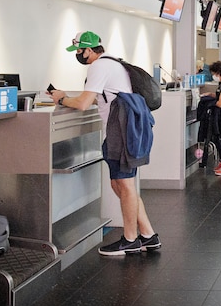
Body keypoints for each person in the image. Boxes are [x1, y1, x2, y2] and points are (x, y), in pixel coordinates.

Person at [49, 31, 159, 256]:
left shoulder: (99, 66)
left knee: (125, 186)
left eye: (79, 51)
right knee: (119, 185)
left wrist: (60, 97)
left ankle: (130, 240)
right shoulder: (114, 63)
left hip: (122, 131)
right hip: (126, 129)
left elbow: (82, 103)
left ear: (89, 50)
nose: (78, 55)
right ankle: (148, 234)